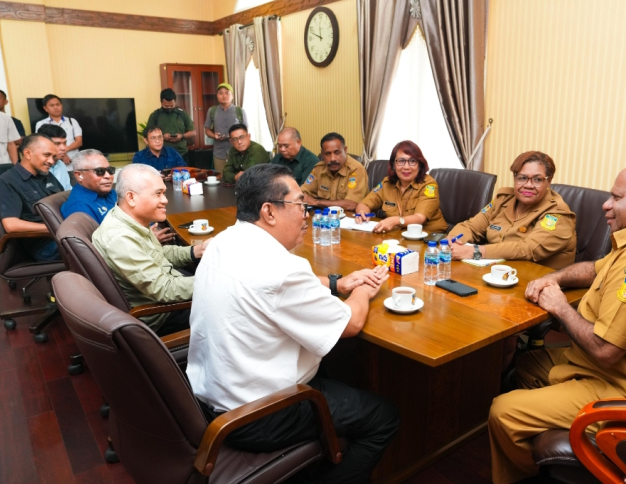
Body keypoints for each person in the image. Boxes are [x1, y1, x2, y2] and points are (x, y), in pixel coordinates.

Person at [488, 162, 626, 484]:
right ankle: (550, 440)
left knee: (503, 412)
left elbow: (604, 350)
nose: (606, 204)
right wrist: (555, 277)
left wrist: (560, 307)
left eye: (616, 197)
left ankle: (526, 474)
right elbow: (598, 269)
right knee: (530, 364)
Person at [186, 164, 399, 483]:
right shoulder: (281, 269)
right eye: (300, 204)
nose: (306, 214)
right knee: (384, 418)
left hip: (213, 395)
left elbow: (274, 287)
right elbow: (351, 324)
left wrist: (336, 284)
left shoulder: (223, 242)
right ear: (269, 211)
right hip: (258, 415)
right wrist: (364, 291)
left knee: (333, 365)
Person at [92, 164, 210, 336]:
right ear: (131, 198)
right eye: (158, 194)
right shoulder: (121, 239)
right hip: (163, 314)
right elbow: (165, 290)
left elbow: (158, 254)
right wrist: (217, 280)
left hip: (167, 293)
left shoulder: (126, 219)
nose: (165, 200)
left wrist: (196, 250)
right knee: (235, 303)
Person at [446, 151, 576, 269]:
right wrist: (452, 240)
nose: (528, 185)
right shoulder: (504, 199)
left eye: (537, 179)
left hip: (539, 283)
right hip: (497, 273)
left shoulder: (558, 214)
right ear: (514, 178)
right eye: (522, 178)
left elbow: (528, 249)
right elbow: (472, 226)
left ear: (549, 181)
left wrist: (475, 251)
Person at [62, 149, 176, 243]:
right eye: (100, 171)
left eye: (110, 170)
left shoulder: (110, 192)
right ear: (79, 175)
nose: (108, 176)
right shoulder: (79, 207)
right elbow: (101, 248)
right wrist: (147, 239)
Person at [0, 133, 61, 261]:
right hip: (43, 246)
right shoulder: (7, 181)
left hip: (61, 235)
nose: (51, 161)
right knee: (97, 246)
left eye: (53, 157)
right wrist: (55, 228)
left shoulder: (45, 174)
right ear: (28, 153)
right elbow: (11, 225)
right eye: (47, 155)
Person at [355, 140, 448, 233]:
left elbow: (420, 218)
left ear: (419, 165)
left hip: (430, 237)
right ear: (393, 165)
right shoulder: (387, 183)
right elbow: (364, 204)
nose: (406, 167)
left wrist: (397, 221)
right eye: (401, 161)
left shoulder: (429, 185)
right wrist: (362, 212)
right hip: (398, 235)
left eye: (412, 161)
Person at [301, 132, 369, 211]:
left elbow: (352, 204)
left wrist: (316, 202)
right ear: (322, 153)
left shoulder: (356, 169)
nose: (332, 158)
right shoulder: (319, 169)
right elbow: (302, 193)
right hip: (324, 218)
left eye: (337, 152)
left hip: (351, 219)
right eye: (328, 154)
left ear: (345, 150)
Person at [204, 83, 248, 175]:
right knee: (221, 177)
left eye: (227, 93)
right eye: (220, 93)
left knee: (238, 177)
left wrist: (235, 137)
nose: (224, 96)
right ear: (217, 96)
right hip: (219, 152)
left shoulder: (239, 111)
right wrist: (214, 136)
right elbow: (207, 130)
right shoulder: (212, 111)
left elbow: (245, 131)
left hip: (237, 151)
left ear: (232, 96)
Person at [145, 88, 195, 161]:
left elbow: (193, 133)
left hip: (181, 153)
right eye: (166, 106)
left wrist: (181, 136)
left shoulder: (182, 114)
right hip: (161, 154)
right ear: (161, 102)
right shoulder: (155, 115)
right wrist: (162, 136)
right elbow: (148, 134)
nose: (169, 108)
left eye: (171, 106)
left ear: (175, 101)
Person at [35, 94, 82, 165]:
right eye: (52, 105)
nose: (56, 107)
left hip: (74, 161)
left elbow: (79, 142)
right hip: (52, 162)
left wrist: (64, 151)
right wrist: (62, 155)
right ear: (45, 108)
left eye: (58, 104)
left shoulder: (71, 121)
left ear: (61, 105)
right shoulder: (41, 124)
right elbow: (41, 144)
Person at [37, 124, 72, 191]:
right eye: (57, 144)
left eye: (64, 143)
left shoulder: (61, 165)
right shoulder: (37, 167)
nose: (63, 148)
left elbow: (67, 190)